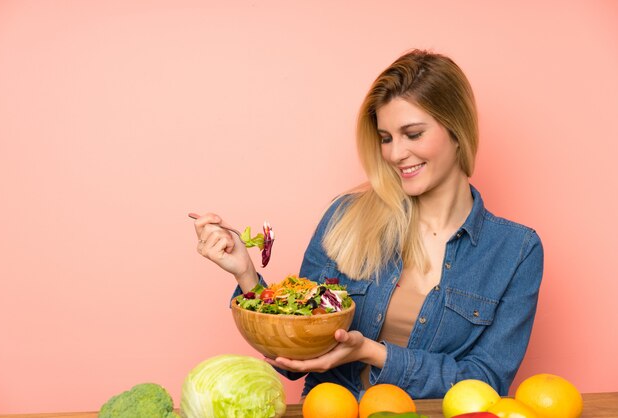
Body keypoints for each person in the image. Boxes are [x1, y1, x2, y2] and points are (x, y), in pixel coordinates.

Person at [192, 49, 543, 400]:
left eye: (413, 134)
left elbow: (486, 382)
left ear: (457, 131)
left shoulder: (516, 251)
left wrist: (372, 352)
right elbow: (292, 356)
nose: (394, 154)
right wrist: (246, 275)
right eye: (386, 138)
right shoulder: (346, 218)